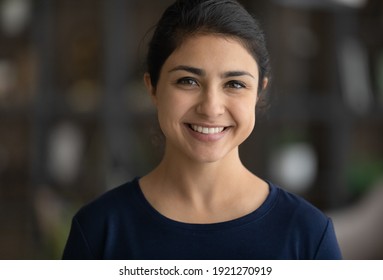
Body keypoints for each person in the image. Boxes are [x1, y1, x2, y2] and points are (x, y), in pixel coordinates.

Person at [62, 0, 342, 259]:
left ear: (259, 93)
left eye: (234, 84)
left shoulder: (308, 234)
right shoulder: (98, 230)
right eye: (188, 81)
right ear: (153, 88)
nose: (211, 108)